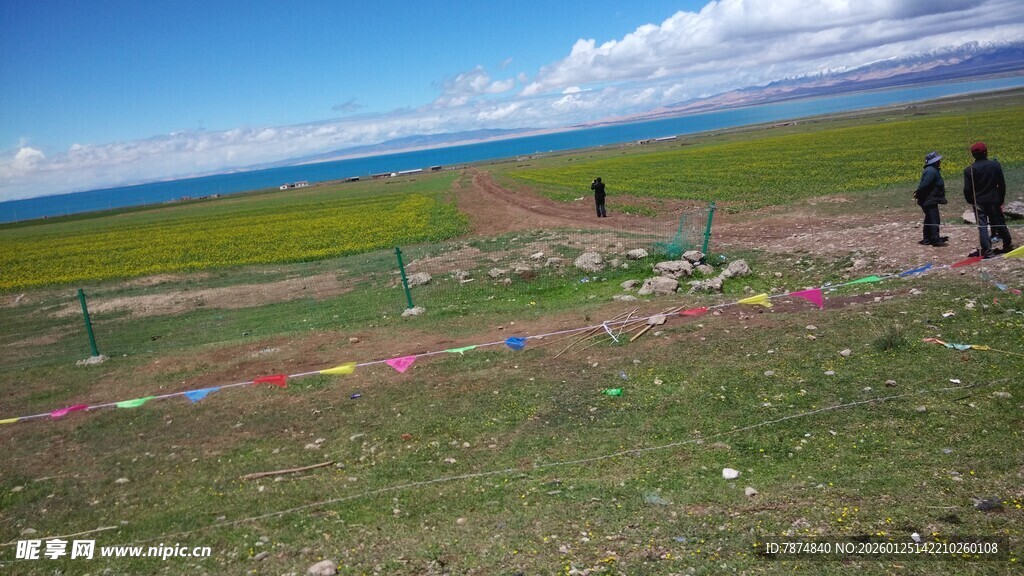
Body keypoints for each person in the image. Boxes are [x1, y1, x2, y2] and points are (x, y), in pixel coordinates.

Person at [963, 142, 1013, 258]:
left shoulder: (969, 170)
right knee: (1000, 223)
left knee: (982, 226)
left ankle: (988, 251)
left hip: (979, 202)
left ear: (973, 155)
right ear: (986, 152)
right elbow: (1002, 184)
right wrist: (1001, 198)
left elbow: (967, 189)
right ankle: (1007, 245)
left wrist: (971, 200)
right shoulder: (995, 165)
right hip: (994, 199)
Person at [913, 152, 948, 246]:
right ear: (934, 161)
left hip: (929, 199)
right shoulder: (931, 171)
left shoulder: (931, 170)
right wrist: (918, 192)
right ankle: (935, 240)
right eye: (938, 160)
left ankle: (927, 239)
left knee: (929, 218)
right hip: (929, 199)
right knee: (934, 219)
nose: (940, 161)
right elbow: (924, 185)